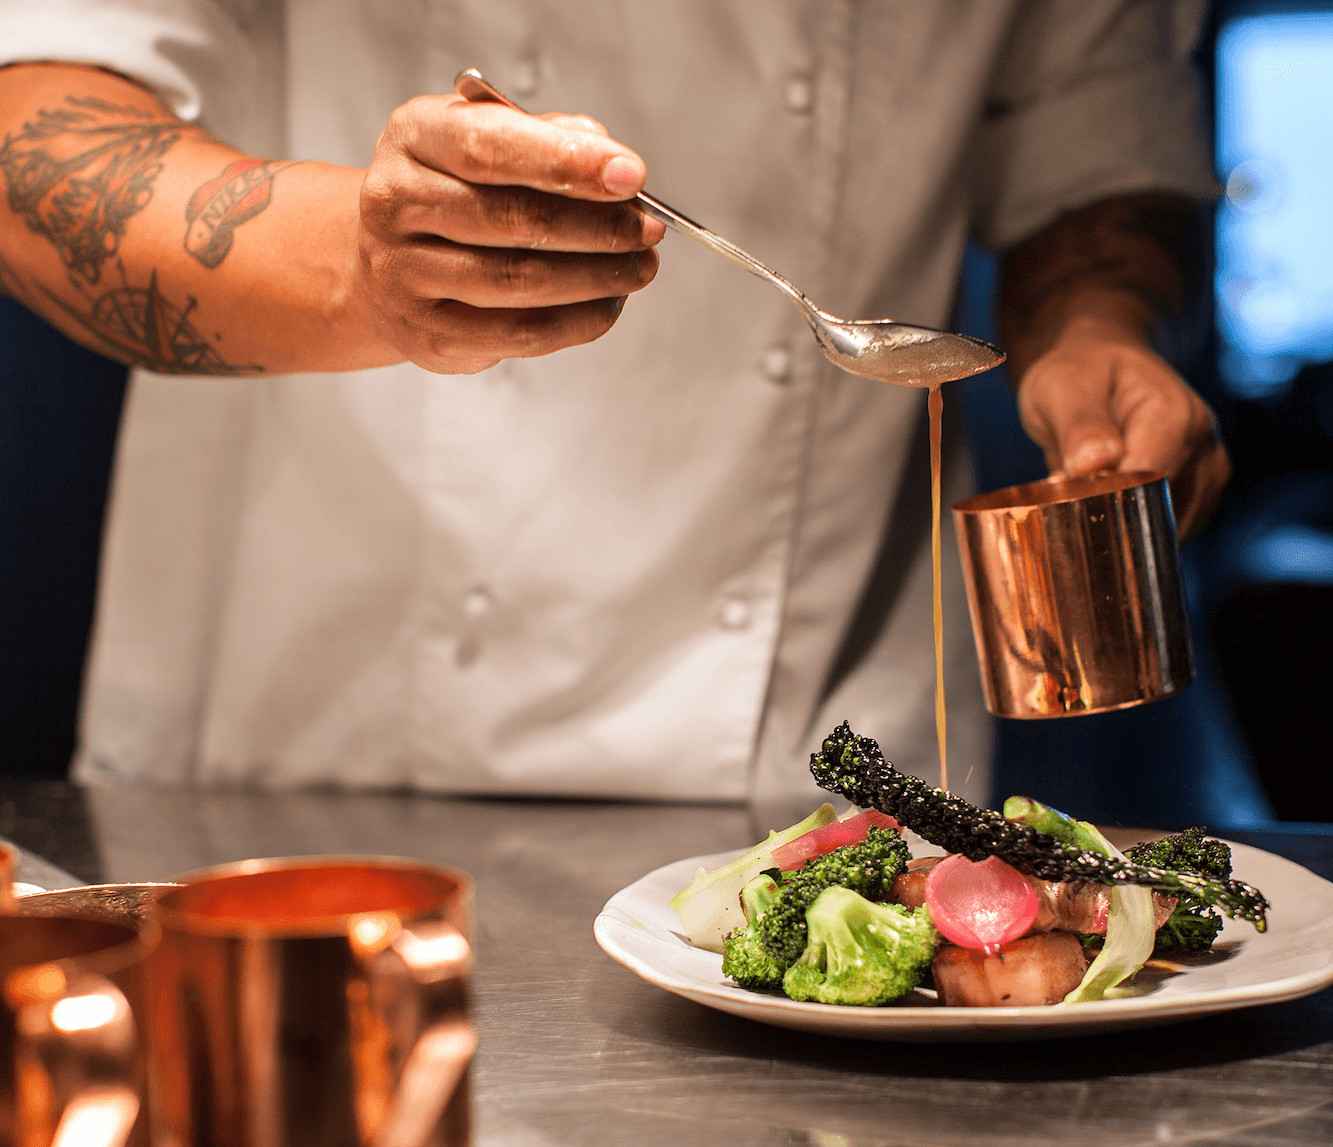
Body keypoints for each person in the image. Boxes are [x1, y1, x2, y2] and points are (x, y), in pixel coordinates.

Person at [0, 2, 1226, 809]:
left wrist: (1099, 323)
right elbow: (30, 135)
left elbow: (1100, 136)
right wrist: (365, 270)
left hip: (822, 774)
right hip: (310, 755)